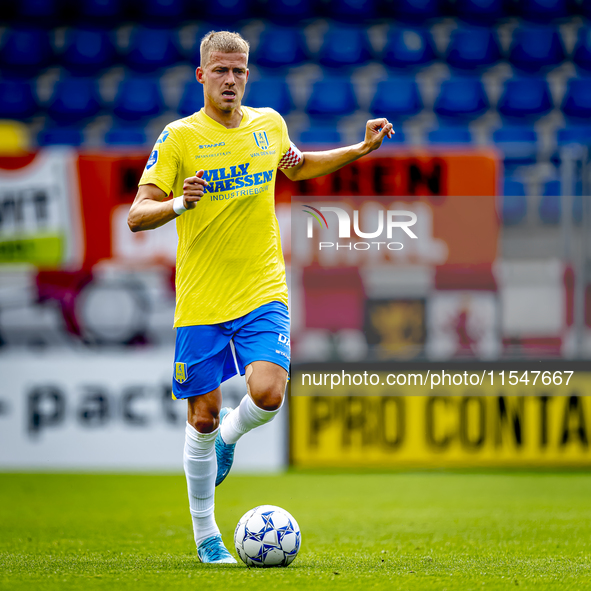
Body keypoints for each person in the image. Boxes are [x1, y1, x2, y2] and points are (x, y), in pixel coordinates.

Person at [127, 30, 393, 564]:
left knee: (269, 393)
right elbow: (137, 215)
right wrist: (181, 203)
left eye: (239, 71)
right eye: (220, 71)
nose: (230, 80)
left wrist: (359, 149)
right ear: (201, 75)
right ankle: (206, 536)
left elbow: (299, 165)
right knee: (199, 416)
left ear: (248, 75)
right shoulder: (178, 138)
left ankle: (229, 437)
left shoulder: (268, 125)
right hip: (202, 299)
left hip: (262, 287)